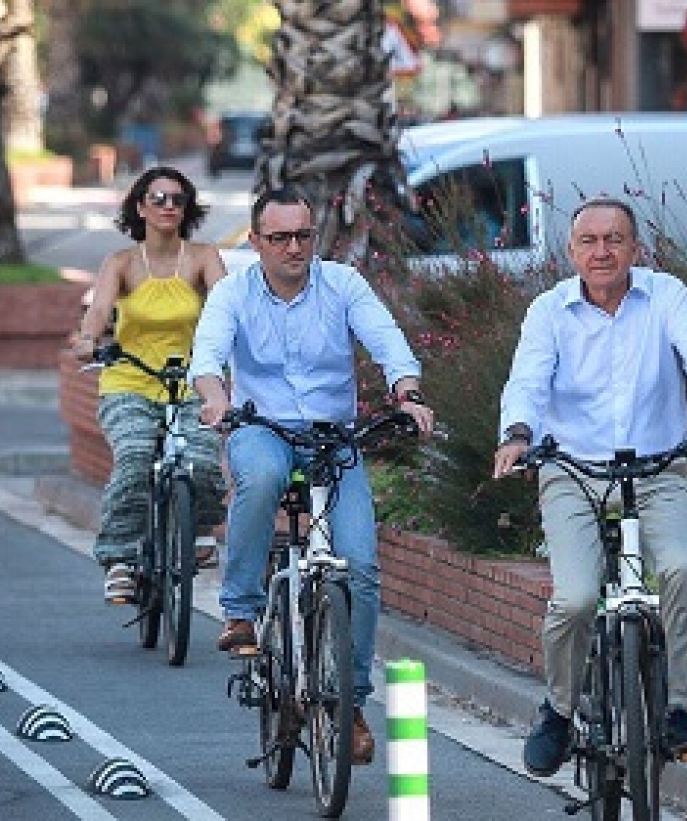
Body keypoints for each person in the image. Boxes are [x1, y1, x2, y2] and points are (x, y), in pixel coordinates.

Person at [491, 197, 687, 778]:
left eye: (615, 239)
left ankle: (679, 708)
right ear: (571, 252)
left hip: (659, 468)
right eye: (589, 241)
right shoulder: (548, 311)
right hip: (573, 473)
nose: (602, 251)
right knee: (577, 598)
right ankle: (559, 710)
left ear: (637, 249)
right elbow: (528, 383)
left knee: (685, 571)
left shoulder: (666, 296)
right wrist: (517, 436)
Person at [189, 186, 436, 765]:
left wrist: (407, 390)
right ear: (256, 242)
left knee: (362, 565)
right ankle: (242, 610)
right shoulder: (233, 292)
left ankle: (348, 705)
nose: (293, 247)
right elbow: (208, 356)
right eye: (279, 238)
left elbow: (387, 340)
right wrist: (216, 399)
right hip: (262, 427)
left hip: (333, 438)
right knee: (260, 477)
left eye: (303, 235)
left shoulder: (344, 285)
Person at [72, 166, 228, 603]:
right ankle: (121, 559)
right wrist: (89, 339)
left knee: (204, 460)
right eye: (157, 199)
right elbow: (99, 311)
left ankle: (197, 529)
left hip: (191, 382)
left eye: (177, 199)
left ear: (187, 208)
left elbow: (225, 305)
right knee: (136, 455)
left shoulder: (203, 257)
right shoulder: (120, 263)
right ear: (140, 207)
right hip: (130, 380)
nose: (168, 207)